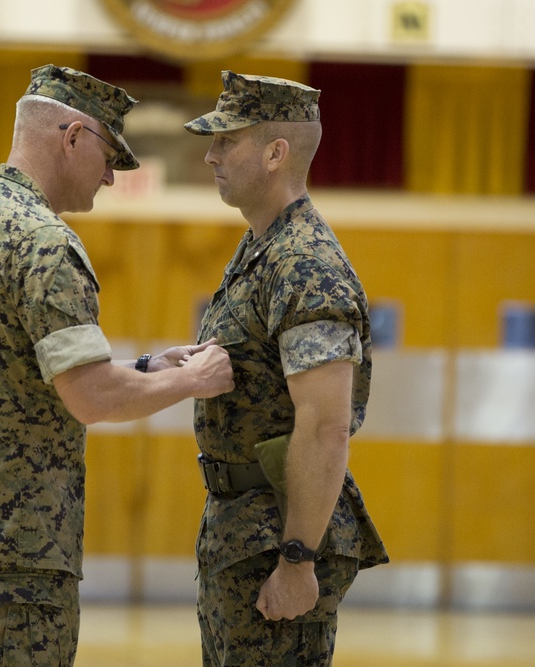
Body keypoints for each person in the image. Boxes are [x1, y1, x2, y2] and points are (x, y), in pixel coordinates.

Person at [0, 64, 235, 666]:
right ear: (72, 136)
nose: (111, 176)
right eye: (109, 155)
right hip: (15, 555)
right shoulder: (43, 241)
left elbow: (12, 370)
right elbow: (90, 398)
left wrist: (147, 367)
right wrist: (192, 380)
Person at [183, 72, 389, 666]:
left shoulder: (305, 264)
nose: (210, 154)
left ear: (276, 153)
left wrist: (298, 559)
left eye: (227, 140)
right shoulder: (261, 247)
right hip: (241, 532)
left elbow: (326, 425)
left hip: (276, 537)